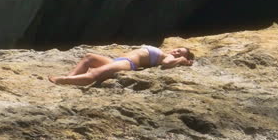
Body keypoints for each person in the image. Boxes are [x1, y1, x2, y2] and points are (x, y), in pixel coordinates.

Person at [48, 45, 194, 86]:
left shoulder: (168, 57)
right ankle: (70, 78)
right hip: (119, 60)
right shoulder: (164, 52)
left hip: (127, 64)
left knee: (95, 74)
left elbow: (167, 64)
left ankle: (62, 80)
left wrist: (180, 60)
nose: (175, 51)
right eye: (176, 49)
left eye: (179, 52)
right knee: (89, 58)